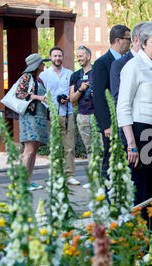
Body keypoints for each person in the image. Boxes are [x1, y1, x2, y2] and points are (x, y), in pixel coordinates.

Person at [117, 22, 152, 228]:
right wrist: (131, 144)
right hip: (140, 134)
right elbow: (123, 107)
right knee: (141, 192)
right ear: (142, 43)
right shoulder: (133, 67)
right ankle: (139, 246)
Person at [92, 24, 131, 179]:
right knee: (110, 158)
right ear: (117, 40)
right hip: (111, 122)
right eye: (128, 39)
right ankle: (105, 191)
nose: (130, 43)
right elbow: (99, 96)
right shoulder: (102, 63)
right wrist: (106, 124)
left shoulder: (128, 61)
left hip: (124, 118)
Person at [40, 46, 80, 186]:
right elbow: (41, 94)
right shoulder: (44, 76)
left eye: (59, 56)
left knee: (69, 146)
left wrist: (68, 99)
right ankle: (55, 175)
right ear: (50, 58)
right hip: (52, 114)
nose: (57, 58)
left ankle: (69, 175)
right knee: (55, 147)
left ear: (63, 58)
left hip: (68, 113)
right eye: (55, 56)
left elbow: (73, 92)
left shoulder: (70, 74)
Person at [15, 53, 50, 191]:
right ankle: (22, 183)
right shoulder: (26, 77)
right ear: (36, 64)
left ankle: (29, 181)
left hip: (39, 117)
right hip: (30, 117)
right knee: (29, 150)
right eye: (41, 62)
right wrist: (38, 97)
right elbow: (19, 93)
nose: (43, 64)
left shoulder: (39, 79)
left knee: (34, 150)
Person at [69, 45, 95, 189]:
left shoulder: (97, 73)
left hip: (97, 115)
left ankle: (101, 178)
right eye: (77, 56)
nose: (79, 58)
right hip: (83, 116)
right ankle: (92, 179)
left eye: (81, 55)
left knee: (102, 148)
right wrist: (81, 89)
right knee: (90, 149)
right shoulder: (76, 75)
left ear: (88, 56)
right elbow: (72, 99)